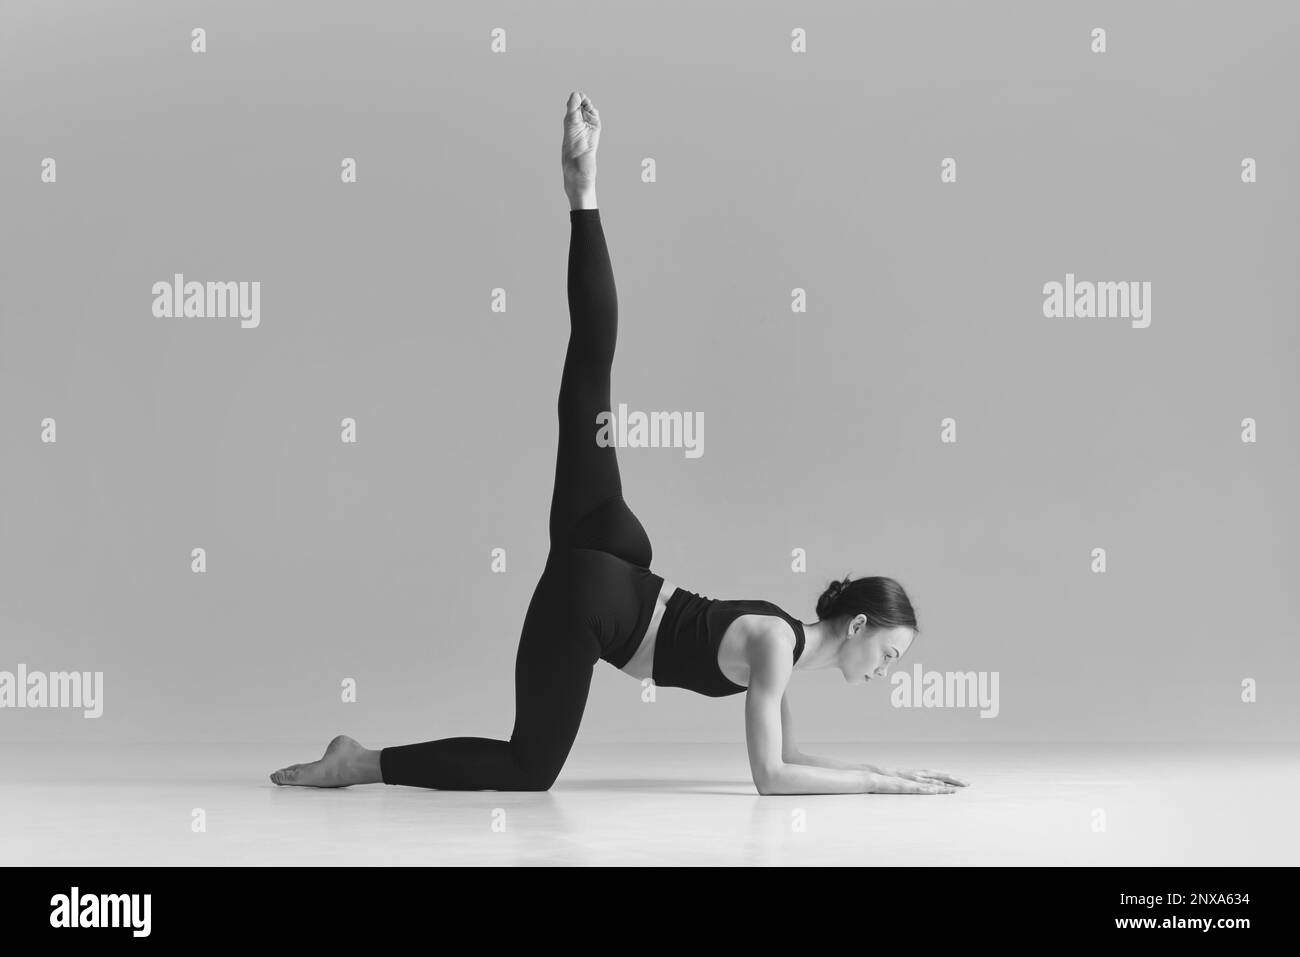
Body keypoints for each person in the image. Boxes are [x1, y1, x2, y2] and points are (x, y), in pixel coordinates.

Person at [270, 92, 968, 796]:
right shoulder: (774, 646)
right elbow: (772, 779)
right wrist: (887, 789)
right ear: (856, 625)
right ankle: (355, 761)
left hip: (614, 552)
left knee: (590, 376)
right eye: (891, 652)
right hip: (594, 600)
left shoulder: (781, 644)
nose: (890, 669)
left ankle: (584, 192)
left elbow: (794, 756)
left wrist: (887, 771)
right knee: (528, 769)